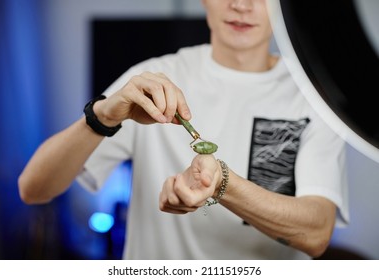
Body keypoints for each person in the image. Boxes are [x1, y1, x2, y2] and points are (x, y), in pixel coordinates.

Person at [18, 0, 349, 259]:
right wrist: (101, 115)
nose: (241, 5)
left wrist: (222, 184)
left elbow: (317, 234)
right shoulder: (152, 79)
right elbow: (33, 188)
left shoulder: (314, 96)